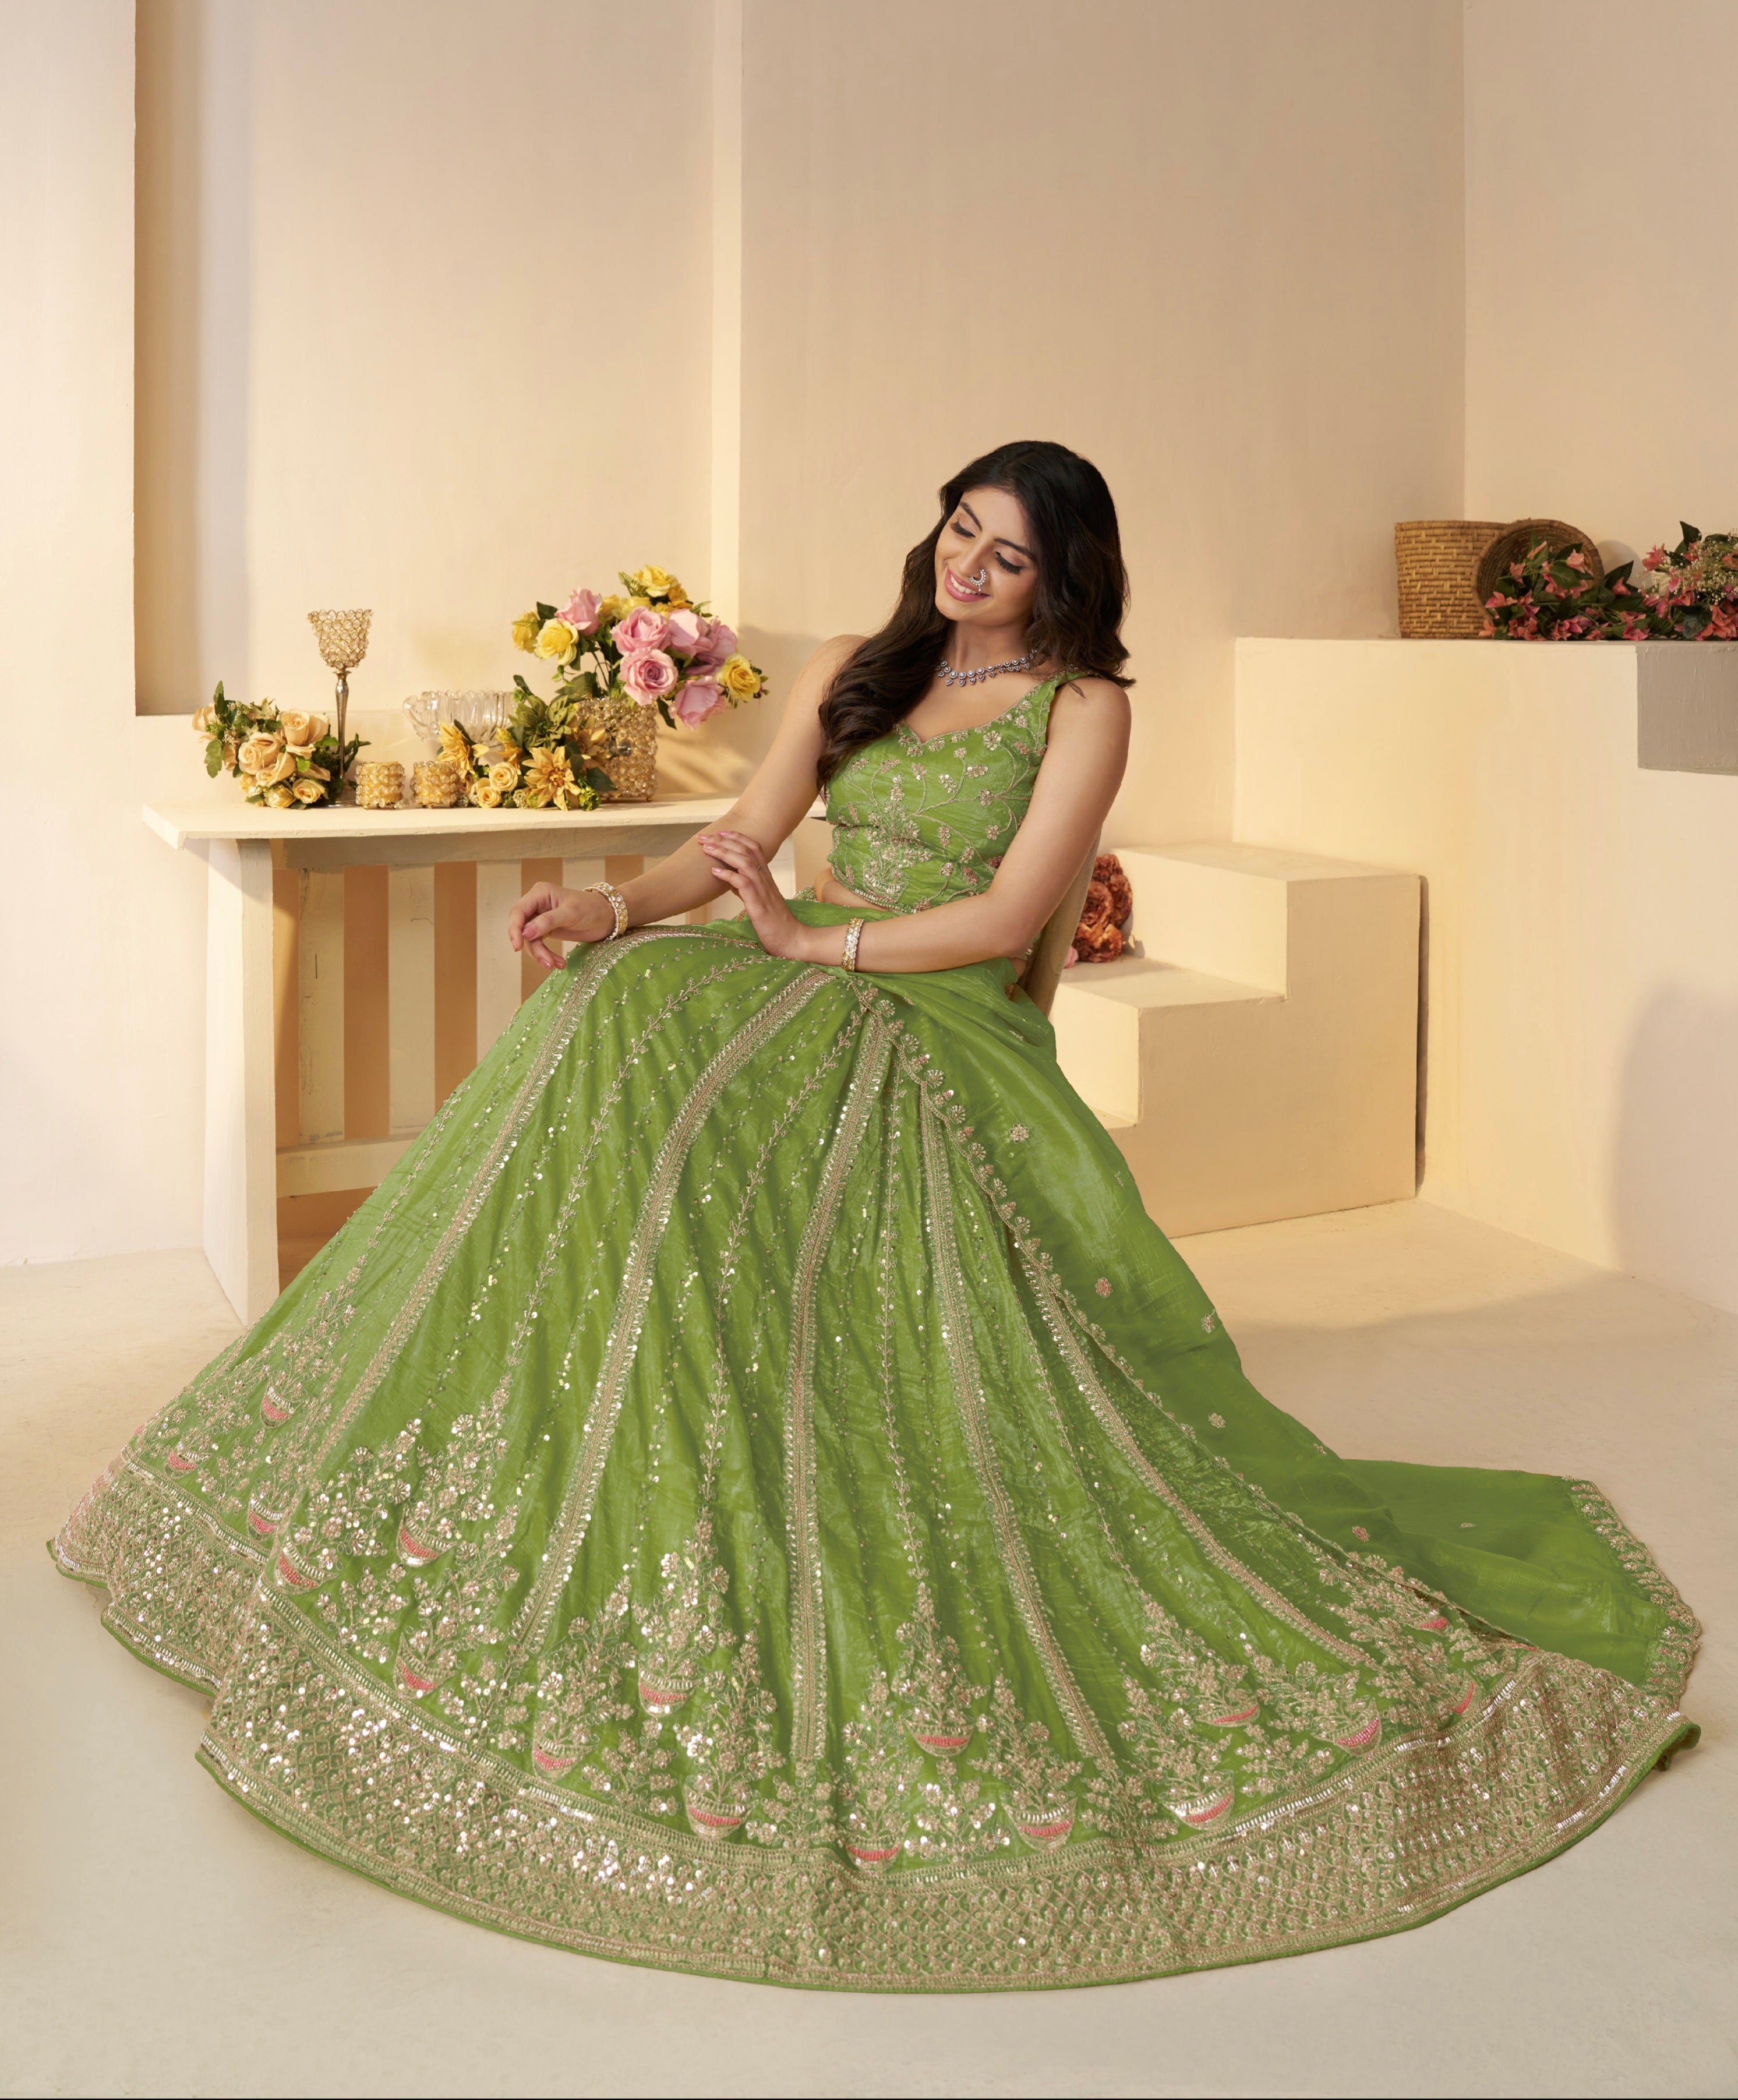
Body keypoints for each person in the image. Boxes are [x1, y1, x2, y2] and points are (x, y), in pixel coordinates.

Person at [54, 439, 1697, 1991]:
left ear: (1065, 578)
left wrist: (811, 946)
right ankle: (614, 1409)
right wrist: (612, 908)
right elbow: (742, 843)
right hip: (789, 964)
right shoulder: (864, 663)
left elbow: (1007, 913)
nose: (969, 566)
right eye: (961, 529)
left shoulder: (1085, 709)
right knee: (602, 1016)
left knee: (701, 1079)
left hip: (925, 1004)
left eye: (1010, 554)